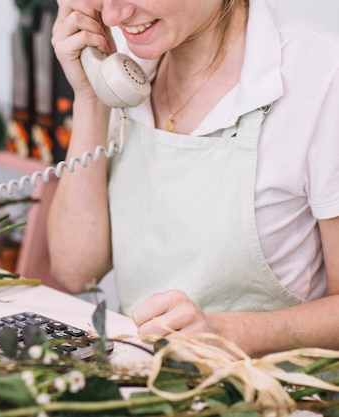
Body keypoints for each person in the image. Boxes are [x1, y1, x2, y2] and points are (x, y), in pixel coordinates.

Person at [47, 0, 339, 357]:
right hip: (144, 380)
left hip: (277, 395)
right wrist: (91, 98)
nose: (112, 15)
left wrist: (232, 332)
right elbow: (73, 270)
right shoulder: (124, 64)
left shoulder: (323, 73)